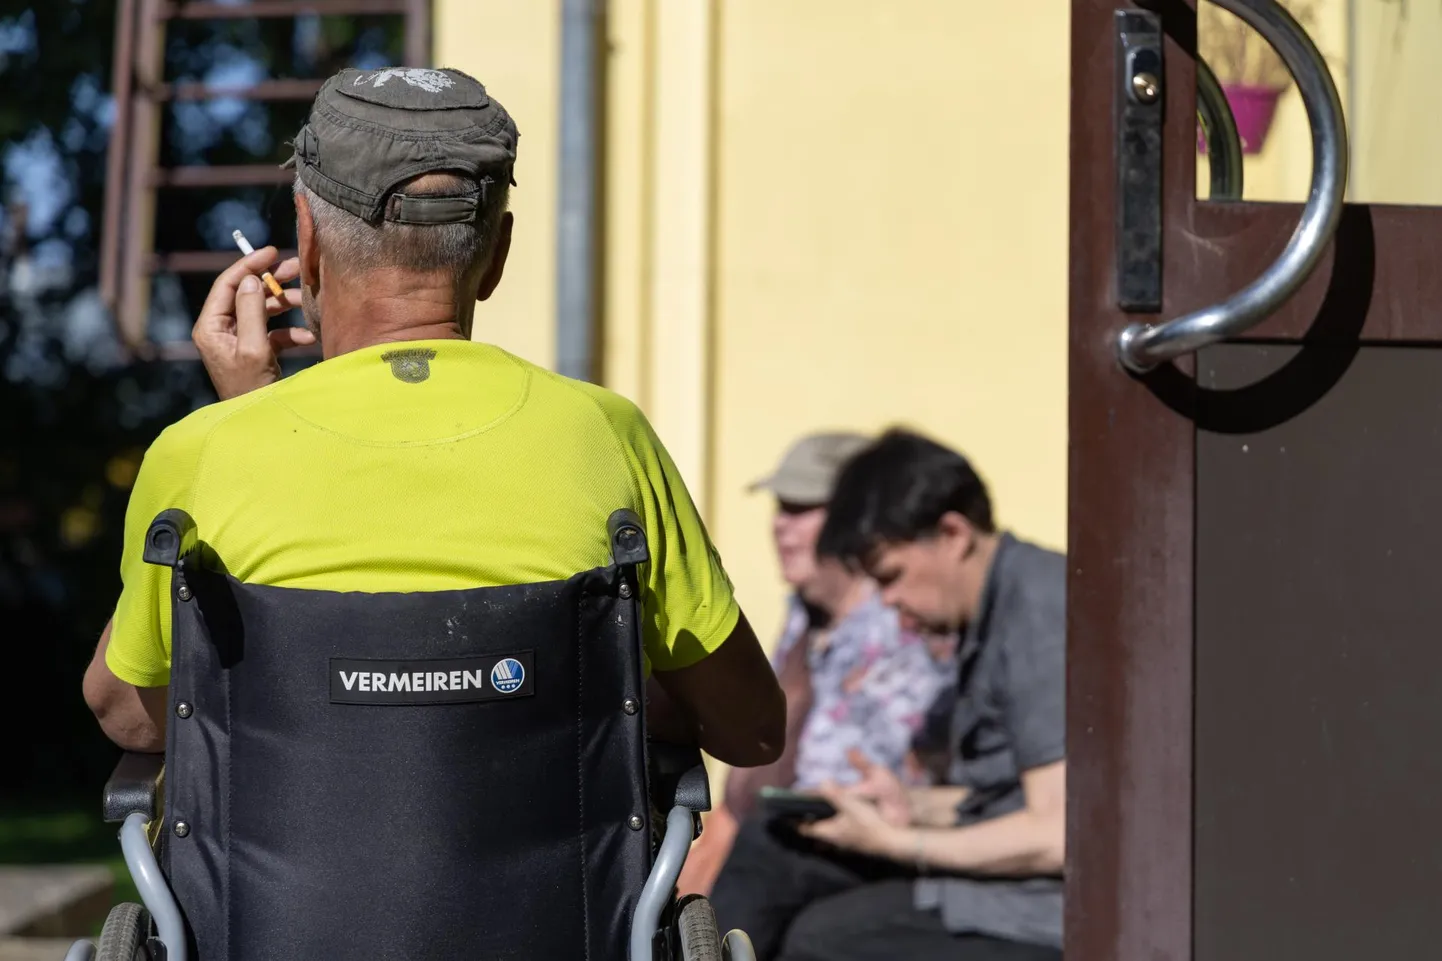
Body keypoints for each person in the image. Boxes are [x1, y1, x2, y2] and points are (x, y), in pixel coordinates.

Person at [80, 66, 785, 772]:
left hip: (274, 883)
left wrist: (249, 418)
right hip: (554, 884)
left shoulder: (204, 451)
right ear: (497, 254)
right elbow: (750, 728)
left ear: (309, 241)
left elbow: (127, 712)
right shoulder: (607, 434)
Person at [711, 428, 1065, 961]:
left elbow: (1057, 831)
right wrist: (909, 805)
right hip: (1000, 881)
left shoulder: (1035, 610)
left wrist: (899, 841)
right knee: (776, 843)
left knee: (825, 940)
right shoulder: (987, 610)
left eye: (892, 576)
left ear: (952, 534)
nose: (890, 602)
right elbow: (1008, 797)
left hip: (1036, 909)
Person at [677, 431, 955, 896]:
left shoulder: (906, 613)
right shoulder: (804, 618)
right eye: (781, 507)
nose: (782, 526)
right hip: (780, 845)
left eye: (802, 508)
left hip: (871, 851)